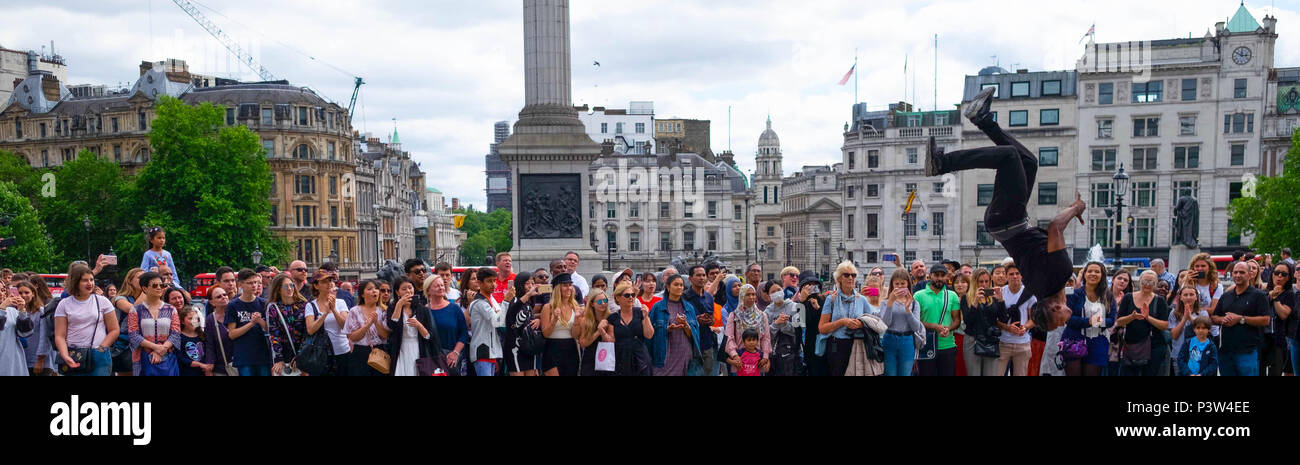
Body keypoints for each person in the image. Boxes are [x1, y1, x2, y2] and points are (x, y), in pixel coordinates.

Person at [52, 263, 121, 376]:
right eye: (84, 280)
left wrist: (102, 348)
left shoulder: (103, 301)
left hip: (98, 353)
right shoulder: (64, 304)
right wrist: (65, 355)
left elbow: (114, 329)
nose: (89, 283)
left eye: (91, 279)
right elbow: (59, 335)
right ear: (75, 282)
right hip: (74, 353)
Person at [1214, 262, 1272, 376]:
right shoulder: (1226, 295)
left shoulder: (1259, 295)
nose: (1238, 275)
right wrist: (1222, 320)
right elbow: (1214, 317)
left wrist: (1241, 319)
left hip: (1247, 351)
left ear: (1250, 274)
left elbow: (1266, 320)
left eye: (1242, 272)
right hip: (1226, 350)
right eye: (1235, 272)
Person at [817, 262, 874, 376]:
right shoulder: (831, 299)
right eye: (846, 275)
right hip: (837, 346)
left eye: (853, 275)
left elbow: (872, 321)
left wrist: (861, 324)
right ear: (839, 278)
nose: (850, 278)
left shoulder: (862, 299)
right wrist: (842, 322)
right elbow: (822, 328)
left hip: (858, 344)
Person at [1114, 271, 1170, 376]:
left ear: (1156, 284)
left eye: (1151, 282)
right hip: (1132, 345)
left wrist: (1148, 318)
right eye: (1144, 281)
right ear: (1139, 282)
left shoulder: (1160, 301)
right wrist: (1132, 317)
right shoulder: (1128, 297)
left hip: (1154, 346)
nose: (1147, 284)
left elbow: (1164, 325)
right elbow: (1119, 321)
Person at [1063, 262, 1114, 377]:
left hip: (1098, 342)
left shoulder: (1108, 295)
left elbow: (1111, 320)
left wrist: (1097, 321)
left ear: (1102, 275)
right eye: (1090, 271)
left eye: (1097, 271)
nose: (1093, 274)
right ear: (1084, 274)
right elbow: (1067, 319)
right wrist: (1088, 321)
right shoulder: (1073, 294)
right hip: (1073, 341)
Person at [127, 271, 182, 377]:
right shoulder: (136, 310)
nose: (159, 288)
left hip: (167, 358)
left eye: (161, 285)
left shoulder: (171, 309)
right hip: (143, 357)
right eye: (155, 285)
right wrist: (156, 347)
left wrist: (161, 350)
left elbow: (175, 333)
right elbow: (133, 335)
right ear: (145, 288)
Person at [647, 274, 702, 376]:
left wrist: (685, 324)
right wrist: (666, 329)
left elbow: (694, 335)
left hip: (684, 352)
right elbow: (649, 333)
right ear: (668, 287)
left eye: (681, 285)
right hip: (664, 353)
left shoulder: (689, 308)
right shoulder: (658, 307)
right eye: (676, 285)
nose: (679, 287)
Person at [386, 276, 440, 376]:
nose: (408, 291)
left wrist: (419, 325)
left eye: (410, 288)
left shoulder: (422, 309)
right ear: (397, 292)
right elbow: (392, 325)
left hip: (418, 348)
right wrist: (399, 305)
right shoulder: (392, 308)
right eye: (404, 289)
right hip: (400, 349)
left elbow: (429, 336)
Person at [915, 264, 962, 376]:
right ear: (930, 276)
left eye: (942, 275)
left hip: (947, 345)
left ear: (947, 277)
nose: (939, 278)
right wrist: (934, 326)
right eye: (936, 275)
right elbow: (915, 322)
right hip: (926, 345)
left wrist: (949, 328)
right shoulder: (918, 295)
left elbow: (957, 320)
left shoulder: (952, 295)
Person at [305, 269, 351, 376]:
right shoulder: (310, 306)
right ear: (316, 286)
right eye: (324, 281)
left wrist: (334, 310)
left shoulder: (341, 302)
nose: (329, 284)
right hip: (321, 353)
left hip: (342, 351)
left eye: (330, 280)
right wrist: (325, 313)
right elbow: (310, 330)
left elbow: (345, 326)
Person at [225, 269, 270, 376]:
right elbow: (232, 334)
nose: (254, 285)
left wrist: (260, 321)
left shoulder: (263, 303)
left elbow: (271, 329)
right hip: (244, 356)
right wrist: (251, 323)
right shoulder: (233, 305)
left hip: (263, 355)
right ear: (240, 284)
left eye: (256, 282)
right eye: (250, 283)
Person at [344, 280, 390, 376]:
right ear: (362, 294)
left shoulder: (384, 310)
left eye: (376, 289)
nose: (375, 291)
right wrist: (367, 326)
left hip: (380, 352)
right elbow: (352, 337)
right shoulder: (354, 311)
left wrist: (376, 322)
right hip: (359, 353)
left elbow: (385, 335)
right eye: (370, 289)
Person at [962, 269, 1003, 376]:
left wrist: (1001, 301)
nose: (984, 285)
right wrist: (975, 302)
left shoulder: (993, 298)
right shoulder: (966, 298)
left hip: (990, 340)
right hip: (973, 339)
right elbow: (967, 321)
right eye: (980, 281)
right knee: (973, 373)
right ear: (974, 282)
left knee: (991, 373)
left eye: (986, 281)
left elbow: (1003, 319)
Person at [266, 273, 308, 376]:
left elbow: (307, 333)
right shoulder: (273, 308)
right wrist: (278, 358)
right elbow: (274, 334)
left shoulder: (304, 305)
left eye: (291, 285)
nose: (289, 288)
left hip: (303, 353)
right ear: (278, 289)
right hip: (284, 354)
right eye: (285, 286)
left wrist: (300, 356)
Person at [723, 284, 771, 376]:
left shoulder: (761, 315)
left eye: (753, 294)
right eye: (748, 294)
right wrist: (735, 355)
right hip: (740, 362)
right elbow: (729, 338)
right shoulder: (734, 316)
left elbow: (766, 338)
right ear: (741, 296)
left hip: (757, 361)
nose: (751, 297)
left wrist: (765, 356)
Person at [424, 275, 468, 374]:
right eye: (436, 286)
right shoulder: (424, 311)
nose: (441, 288)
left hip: (451, 359)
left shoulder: (454, 308)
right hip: (432, 359)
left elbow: (463, 333)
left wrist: (455, 353)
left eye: (442, 285)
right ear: (428, 290)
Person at [608, 282, 654, 376]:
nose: (631, 297)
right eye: (627, 295)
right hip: (621, 358)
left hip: (640, 358)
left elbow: (649, 335)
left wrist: (646, 317)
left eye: (633, 295)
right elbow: (611, 340)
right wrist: (601, 330)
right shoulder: (613, 318)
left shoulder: (640, 313)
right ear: (617, 298)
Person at [469, 268, 507, 376]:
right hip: (482, 350)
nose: (493, 284)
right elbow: (497, 322)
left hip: (491, 352)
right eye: (489, 281)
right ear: (479, 283)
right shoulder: (480, 302)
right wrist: (506, 301)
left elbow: (501, 319)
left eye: (495, 281)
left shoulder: (491, 299)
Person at [682, 265, 719, 375]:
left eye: (703, 275)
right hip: (690, 343)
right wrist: (696, 320)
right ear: (690, 278)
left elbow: (711, 318)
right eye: (698, 275)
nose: (702, 278)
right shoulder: (684, 296)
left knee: (708, 372)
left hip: (707, 342)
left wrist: (710, 320)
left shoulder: (708, 297)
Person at [764, 280, 803, 376]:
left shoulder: (795, 307)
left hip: (793, 354)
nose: (776, 293)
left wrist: (785, 324)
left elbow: (798, 332)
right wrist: (776, 324)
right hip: (774, 355)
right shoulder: (767, 312)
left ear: (783, 289)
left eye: (778, 290)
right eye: (773, 292)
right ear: (768, 295)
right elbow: (765, 336)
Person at [14, 280, 53, 375]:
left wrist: (40, 359)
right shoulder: (13, 311)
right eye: (20, 293)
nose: (23, 295)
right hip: (21, 359)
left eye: (27, 292)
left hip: (37, 360)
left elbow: (44, 337)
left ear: (33, 294)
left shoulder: (40, 312)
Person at [504, 272, 540, 376]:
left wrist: (538, 320)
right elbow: (511, 314)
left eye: (532, 283)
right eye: (527, 283)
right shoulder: (515, 300)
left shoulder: (529, 303)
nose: (530, 286)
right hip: (515, 347)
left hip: (529, 347)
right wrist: (528, 294)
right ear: (520, 284)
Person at [576, 288, 614, 377]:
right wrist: (598, 331)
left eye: (605, 300)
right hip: (590, 359)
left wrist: (603, 332)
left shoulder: (611, 317)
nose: (603, 303)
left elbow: (611, 341)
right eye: (599, 302)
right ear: (592, 304)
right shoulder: (586, 320)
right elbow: (583, 343)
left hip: (607, 357)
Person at [1, 282, 36, 376]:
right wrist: (2, 309)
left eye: (2, 290)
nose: (1, 293)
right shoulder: (4, 310)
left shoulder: (11, 311)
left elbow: (26, 333)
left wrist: (22, 311)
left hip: (12, 361)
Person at [796, 270, 827, 376]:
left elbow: (824, 321)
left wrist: (818, 308)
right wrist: (803, 302)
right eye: (808, 285)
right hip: (808, 347)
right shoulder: (799, 303)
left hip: (822, 344)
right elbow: (799, 324)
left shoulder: (823, 300)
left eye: (814, 284)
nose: (812, 287)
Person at [1269, 262, 1297, 375]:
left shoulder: (1290, 294)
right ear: (1272, 274)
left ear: (1289, 277)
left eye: (1284, 274)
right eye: (1276, 273)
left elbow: (1284, 314)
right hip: (1263, 339)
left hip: (1280, 340)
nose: (1279, 276)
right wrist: (1269, 295)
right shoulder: (1264, 292)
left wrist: (1275, 299)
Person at [203, 286, 235, 376]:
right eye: (219, 296)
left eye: (225, 294)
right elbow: (209, 345)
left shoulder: (236, 313)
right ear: (212, 302)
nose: (223, 297)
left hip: (241, 364)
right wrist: (210, 365)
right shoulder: (210, 320)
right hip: (221, 368)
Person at [174, 305, 211, 376]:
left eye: (196, 318)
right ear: (182, 321)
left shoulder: (202, 335)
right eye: (190, 318)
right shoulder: (179, 337)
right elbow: (180, 358)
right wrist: (200, 364)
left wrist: (207, 367)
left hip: (203, 372)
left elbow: (208, 353)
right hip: (187, 373)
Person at [950, 272, 972, 376]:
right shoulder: (950, 299)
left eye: (963, 282)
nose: (960, 285)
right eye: (957, 282)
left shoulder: (972, 300)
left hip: (968, 337)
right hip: (953, 337)